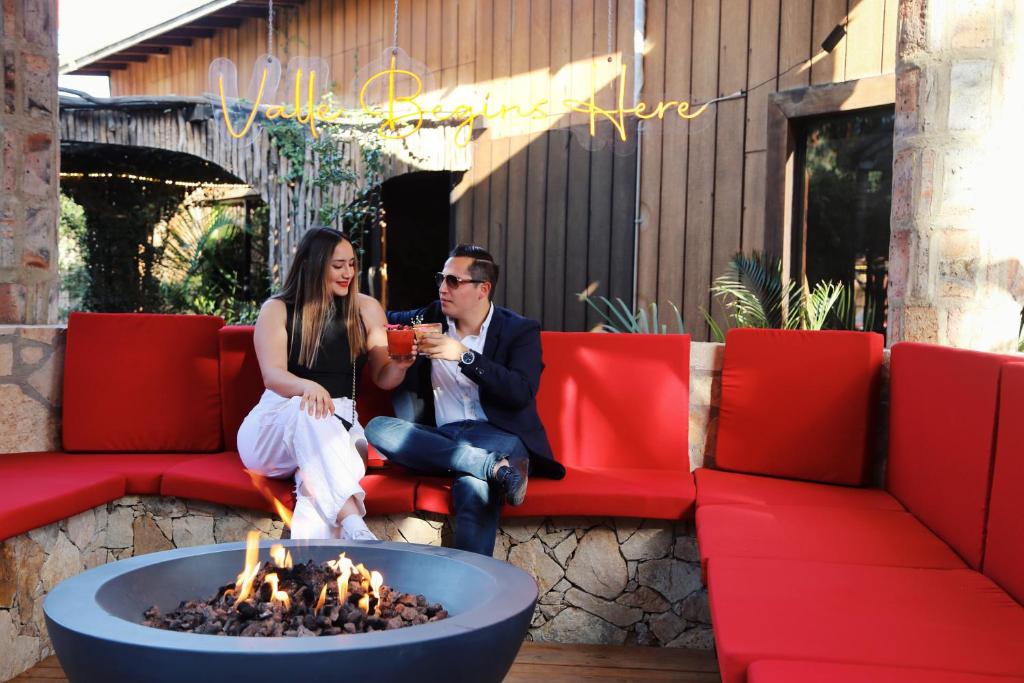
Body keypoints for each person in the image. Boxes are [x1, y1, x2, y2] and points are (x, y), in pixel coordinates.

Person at [365, 245, 565, 555]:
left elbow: (520, 392)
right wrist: (393, 350)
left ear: (482, 289)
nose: (443, 288)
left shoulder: (519, 330)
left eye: (453, 281)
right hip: (443, 436)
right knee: (378, 429)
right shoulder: (427, 318)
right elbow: (378, 319)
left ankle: (488, 468)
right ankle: (492, 468)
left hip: (499, 436)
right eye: (441, 279)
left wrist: (464, 356)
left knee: (474, 488)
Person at [237, 227, 414, 540]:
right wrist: (308, 387)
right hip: (274, 425)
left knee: (313, 481)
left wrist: (399, 366)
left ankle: (312, 575)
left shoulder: (366, 308)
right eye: (337, 266)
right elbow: (273, 376)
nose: (347, 273)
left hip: (341, 425)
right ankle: (354, 524)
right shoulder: (277, 309)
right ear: (313, 264)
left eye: (351, 264)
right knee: (308, 413)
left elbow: (383, 378)